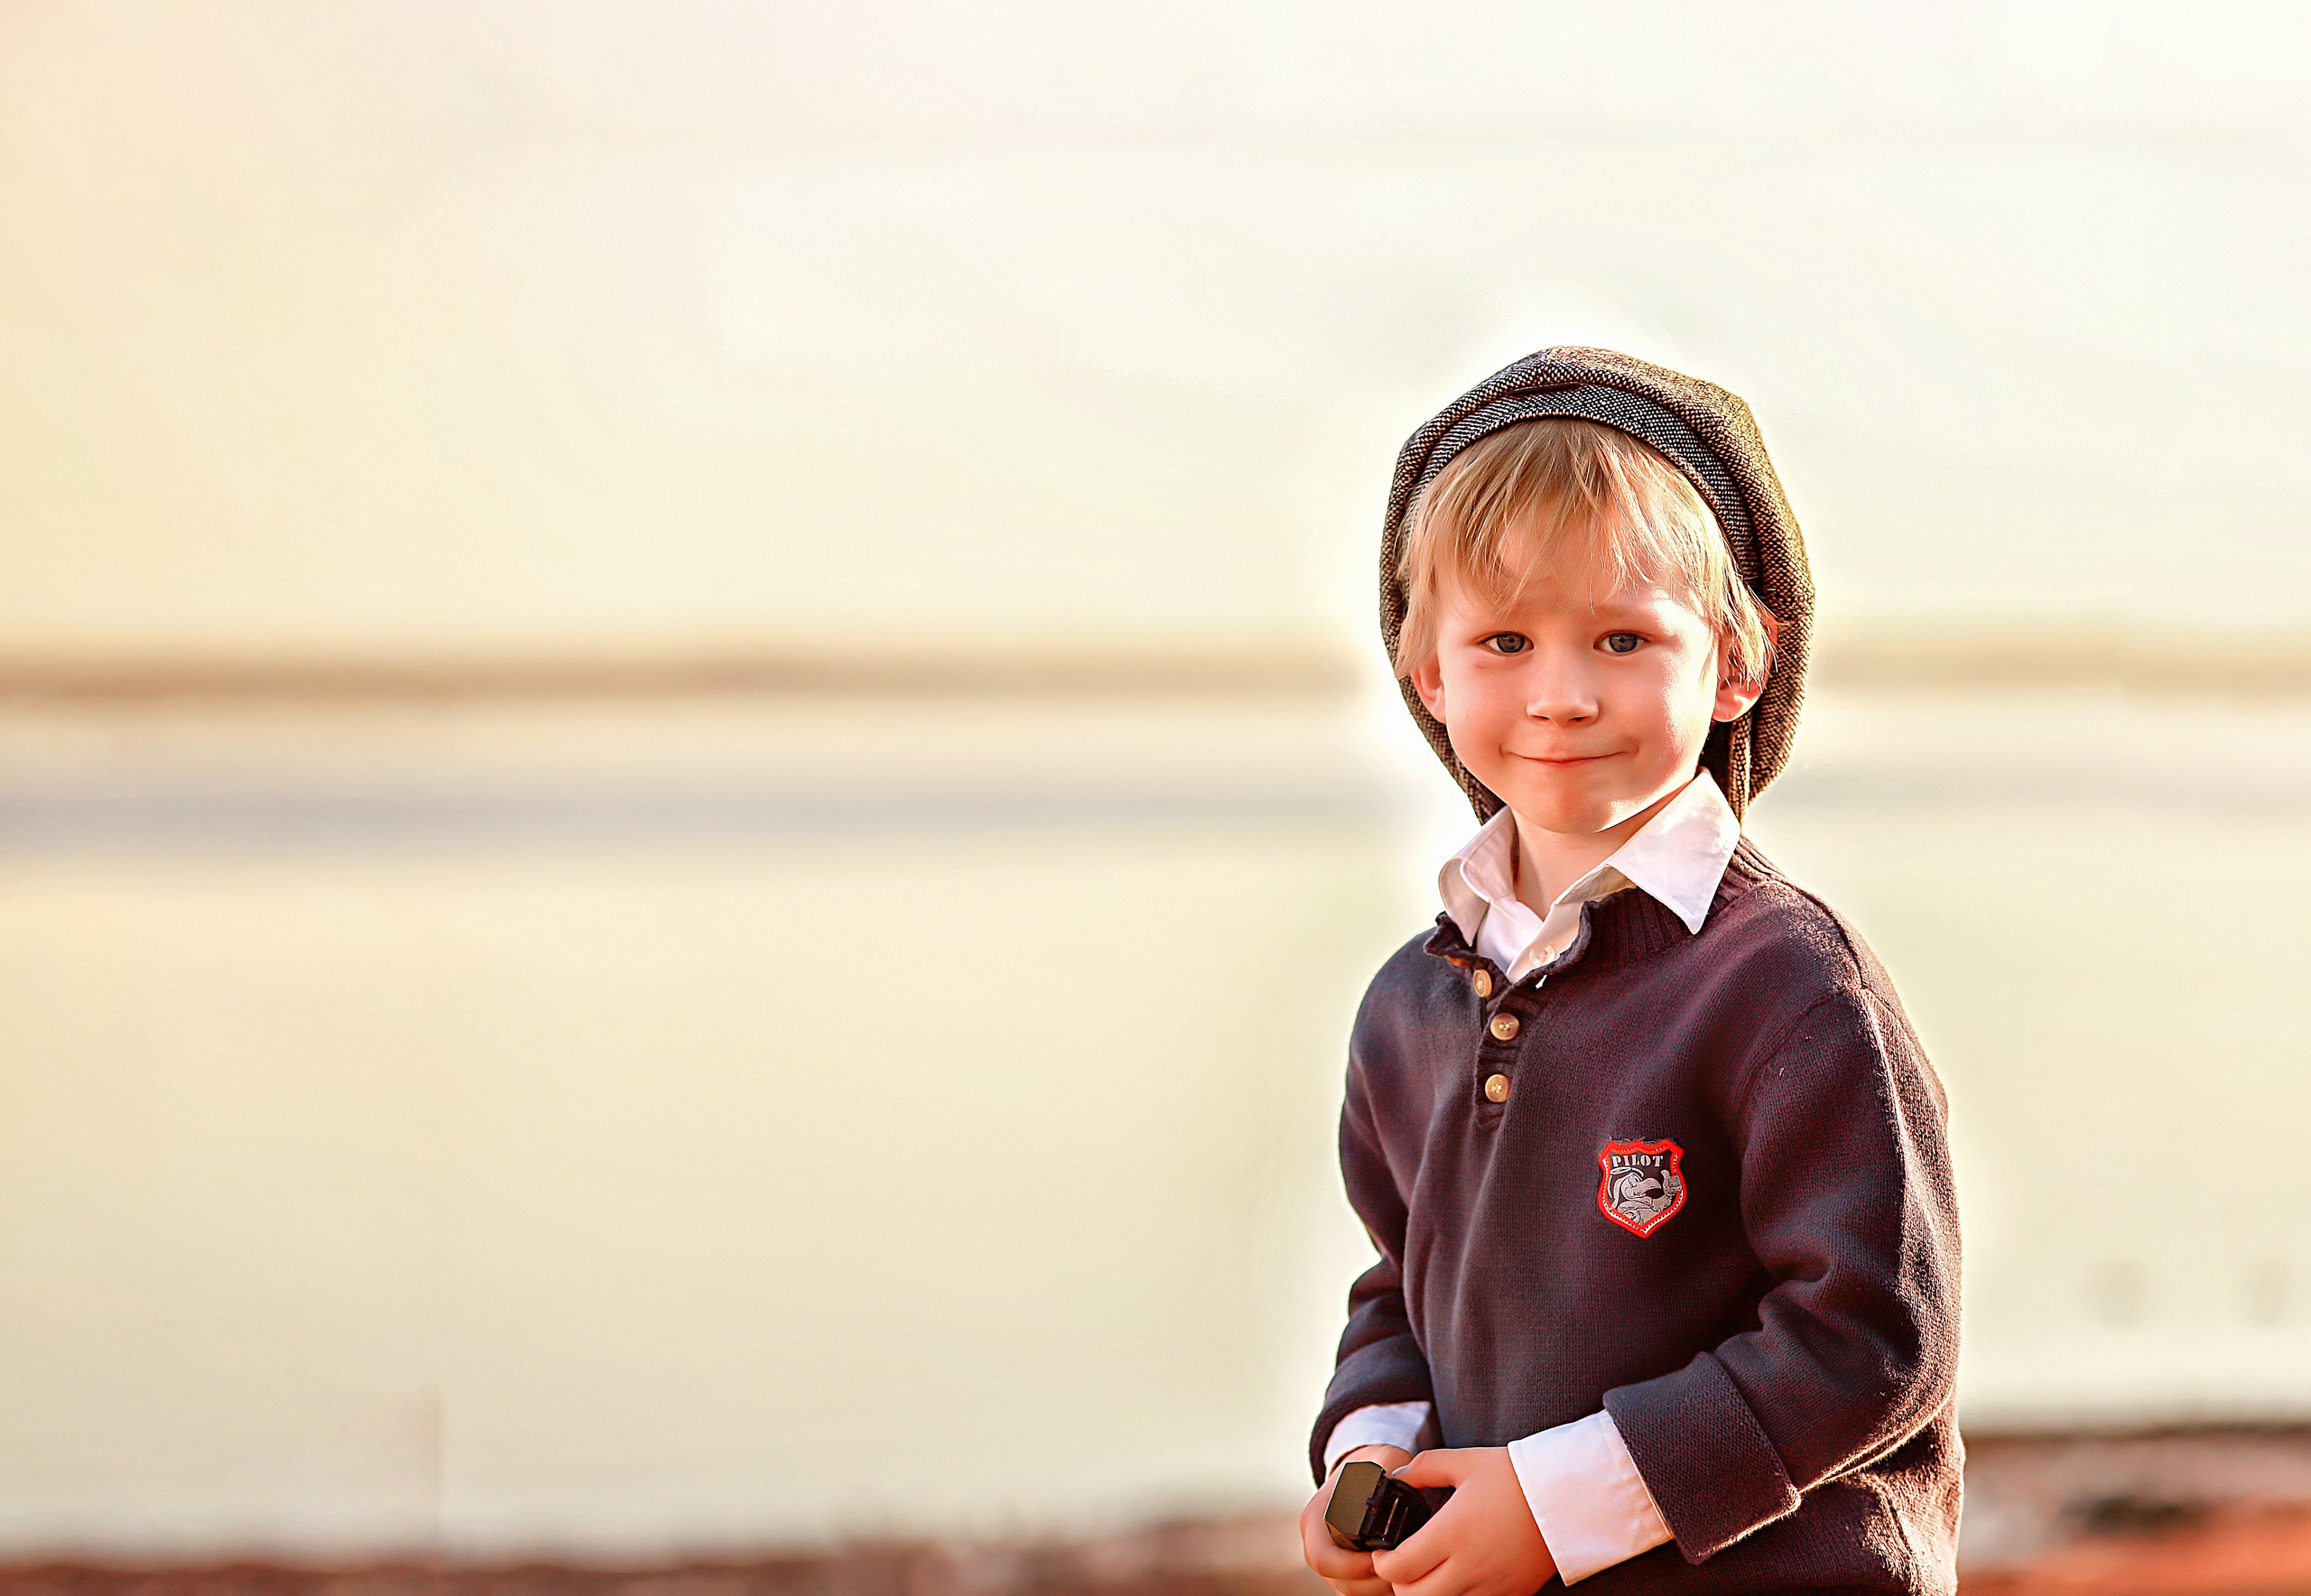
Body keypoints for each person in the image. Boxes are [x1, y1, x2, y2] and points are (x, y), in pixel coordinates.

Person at [1297, 348, 1961, 1596]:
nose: (1559, 697)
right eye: (1503, 639)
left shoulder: (1789, 985)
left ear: (1737, 660)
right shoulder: (1412, 1003)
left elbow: (1876, 1335)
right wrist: (1368, 1448)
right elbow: (1401, 1281)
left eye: (1620, 638)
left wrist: (1564, 1507)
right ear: (1425, 670)